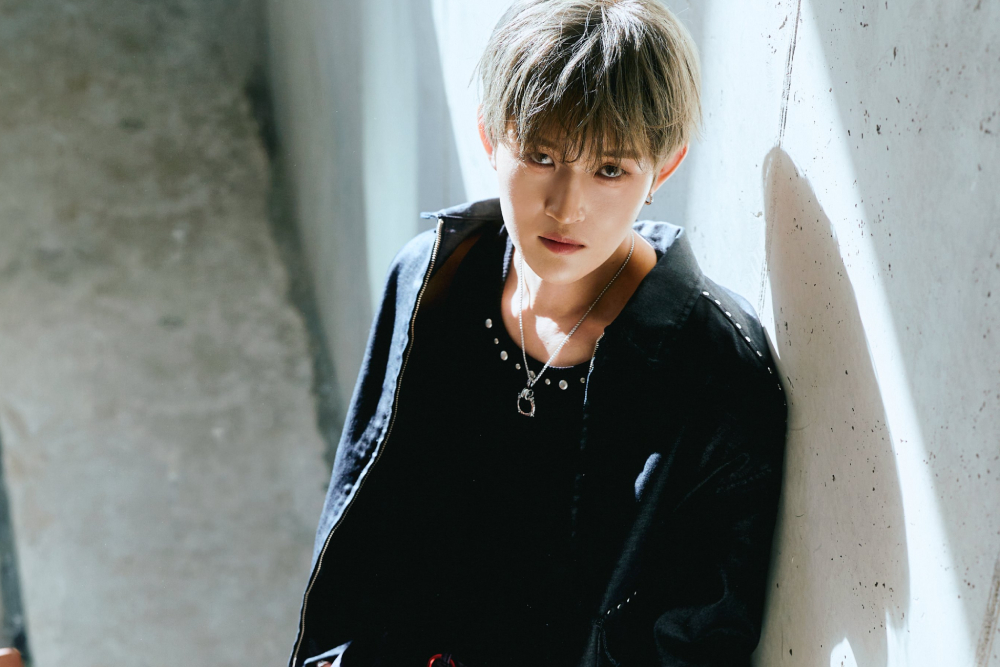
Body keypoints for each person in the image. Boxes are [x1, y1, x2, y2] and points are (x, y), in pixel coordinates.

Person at [291, 1, 788, 665]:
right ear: (490, 137)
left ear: (662, 169)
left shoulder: (714, 376)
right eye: (542, 155)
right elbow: (364, 527)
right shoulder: (431, 282)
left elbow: (695, 644)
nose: (566, 206)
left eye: (609, 169)